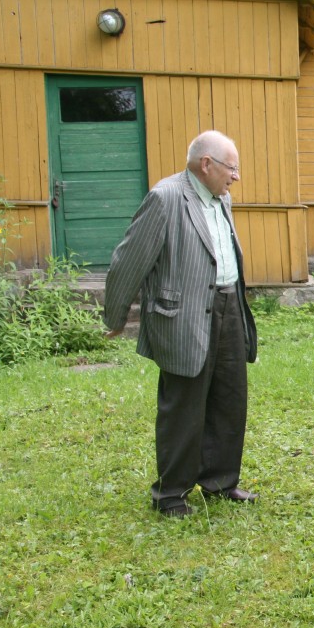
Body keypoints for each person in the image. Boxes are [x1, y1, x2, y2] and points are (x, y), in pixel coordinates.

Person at [104, 130, 259, 518]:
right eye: (231, 168)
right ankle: (171, 495)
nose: (236, 177)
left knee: (229, 399)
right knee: (184, 407)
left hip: (228, 307)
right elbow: (129, 260)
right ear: (205, 164)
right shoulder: (166, 198)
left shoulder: (222, 199)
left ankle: (220, 481)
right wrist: (116, 315)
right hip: (184, 316)